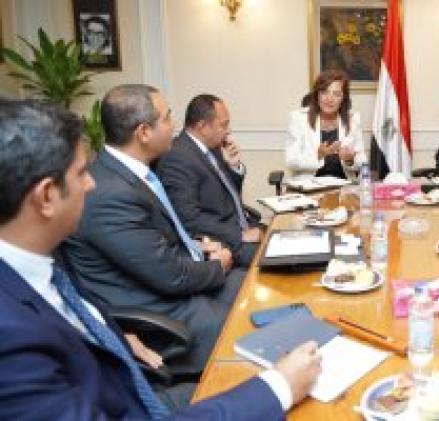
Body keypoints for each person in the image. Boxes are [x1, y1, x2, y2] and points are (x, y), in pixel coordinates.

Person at [0, 98, 321, 419]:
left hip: (128, 379)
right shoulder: (12, 339)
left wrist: (112, 335)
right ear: (46, 196)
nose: (91, 183)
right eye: (82, 173)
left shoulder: (35, 263)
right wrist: (279, 388)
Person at [60, 85, 242, 378]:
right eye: (167, 118)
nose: (174, 126)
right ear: (144, 132)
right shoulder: (109, 193)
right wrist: (218, 266)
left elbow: (154, 241)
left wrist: (197, 246)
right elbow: (172, 276)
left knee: (258, 290)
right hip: (162, 314)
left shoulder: (130, 172)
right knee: (250, 327)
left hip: (174, 282)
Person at [156, 94, 262, 267]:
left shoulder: (212, 147)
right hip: (225, 241)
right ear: (203, 127)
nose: (228, 131)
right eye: (224, 125)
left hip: (243, 225)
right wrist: (240, 235)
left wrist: (233, 167)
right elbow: (190, 219)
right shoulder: (177, 158)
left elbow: (226, 196)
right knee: (282, 259)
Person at [285, 69, 366, 180]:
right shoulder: (298, 119)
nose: (330, 99)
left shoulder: (352, 119)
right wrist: (318, 155)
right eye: (325, 92)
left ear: (343, 98)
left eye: (336, 94)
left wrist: (350, 160)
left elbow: (362, 161)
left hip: (344, 185)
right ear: (317, 95)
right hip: (309, 185)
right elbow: (291, 161)